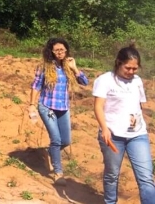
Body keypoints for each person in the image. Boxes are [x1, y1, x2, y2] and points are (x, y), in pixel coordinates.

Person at [93, 44, 155, 204]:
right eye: (128, 68)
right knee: (112, 174)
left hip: (137, 135)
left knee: (146, 177)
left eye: (135, 68)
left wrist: (141, 124)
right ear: (118, 62)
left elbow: (138, 106)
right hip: (113, 135)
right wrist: (104, 129)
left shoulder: (137, 81)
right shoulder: (105, 80)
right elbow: (98, 106)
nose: (131, 72)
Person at [28, 38, 88, 185]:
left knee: (66, 141)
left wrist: (75, 68)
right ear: (51, 52)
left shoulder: (68, 66)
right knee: (56, 139)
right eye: (57, 50)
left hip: (63, 108)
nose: (60, 53)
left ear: (66, 50)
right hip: (47, 106)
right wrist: (31, 105)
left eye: (62, 50)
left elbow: (85, 83)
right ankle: (58, 172)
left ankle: (50, 153)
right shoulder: (44, 67)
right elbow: (36, 86)